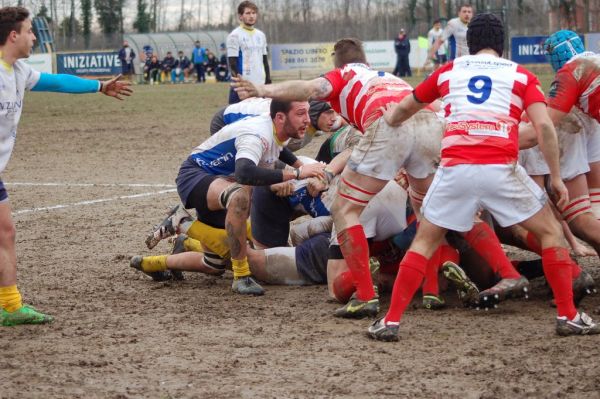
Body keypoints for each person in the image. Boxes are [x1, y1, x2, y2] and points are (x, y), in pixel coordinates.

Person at [367, 13, 599, 341]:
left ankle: (389, 322)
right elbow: (545, 127)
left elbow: (404, 108)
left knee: (424, 241)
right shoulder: (520, 74)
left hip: (455, 167)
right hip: (500, 166)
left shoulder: (449, 70)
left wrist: (386, 118)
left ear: (469, 45)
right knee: (551, 234)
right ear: (502, 47)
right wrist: (557, 177)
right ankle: (568, 316)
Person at [232, 37, 445, 319]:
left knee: (345, 210)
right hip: (428, 121)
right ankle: (431, 291)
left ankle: (366, 296)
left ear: (337, 63)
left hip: (388, 128)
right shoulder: (388, 77)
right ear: (367, 61)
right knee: (425, 212)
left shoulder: (344, 74)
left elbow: (307, 88)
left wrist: (263, 89)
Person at [0, 6, 132, 326]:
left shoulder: (18, 71)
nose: (35, 37)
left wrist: (99, 86)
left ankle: (10, 306)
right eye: (30, 31)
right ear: (13, 35)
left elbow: (58, 82)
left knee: (6, 233)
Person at [167, 100, 324, 295]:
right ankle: (241, 276)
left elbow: (280, 150)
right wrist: (297, 173)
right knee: (240, 198)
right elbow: (244, 172)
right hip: (196, 175)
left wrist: (302, 167)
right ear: (280, 117)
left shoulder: (276, 129)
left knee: (214, 264)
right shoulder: (256, 134)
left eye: (308, 113)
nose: (308, 120)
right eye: (301, 114)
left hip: (221, 179)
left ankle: (156, 263)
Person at [227, 1, 270, 104]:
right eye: (248, 13)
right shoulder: (234, 36)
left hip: (260, 85)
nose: (251, 16)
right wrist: (240, 85)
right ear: (240, 16)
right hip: (244, 86)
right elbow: (232, 63)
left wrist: (268, 81)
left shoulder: (261, 35)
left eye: (254, 13)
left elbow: (264, 61)